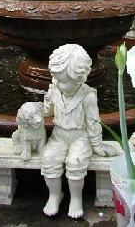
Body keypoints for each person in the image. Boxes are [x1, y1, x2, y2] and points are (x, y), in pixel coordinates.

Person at [41, 44, 118, 219]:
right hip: (59, 135)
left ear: (79, 79)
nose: (56, 82)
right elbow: (48, 113)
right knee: (49, 159)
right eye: (54, 78)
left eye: (62, 80)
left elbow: (93, 122)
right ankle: (54, 195)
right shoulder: (54, 90)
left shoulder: (87, 96)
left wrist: (97, 145)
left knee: (75, 162)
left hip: (79, 137)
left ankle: (76, 198)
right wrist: (45, 105)